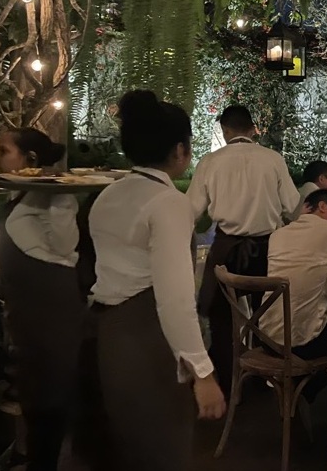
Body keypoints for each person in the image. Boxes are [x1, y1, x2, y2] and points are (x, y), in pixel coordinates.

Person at [90, 91, 225, 470]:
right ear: (180, 150)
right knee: (163, 446)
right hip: (149, 335)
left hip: (110, 332)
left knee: (126, 446)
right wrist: (204, 373)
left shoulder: (108, 195)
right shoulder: (168, 203)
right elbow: (175, 299)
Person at [187, 104, 299, 393]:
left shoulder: (210, 162)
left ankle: (228, 379)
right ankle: (266, 374)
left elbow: (191, 210)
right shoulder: (273, 159)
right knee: (270, 313)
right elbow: (292, 207)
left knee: (220, 314)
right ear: (253, 129)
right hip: (267, 251)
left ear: (225, 131)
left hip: (226, 250)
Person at [0, 128, 83, 469]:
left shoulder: (54, 197)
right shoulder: (20, 195)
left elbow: (64, 247)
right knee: (33, 403)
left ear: (30, 160)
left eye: (3, 151)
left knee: (49, 407)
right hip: (25, 318)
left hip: (51, 321)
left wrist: (56, 191)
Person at [261, 189, 327, 364]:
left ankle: (291, 388)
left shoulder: (278, 234)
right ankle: (319, 390)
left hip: (266, 337)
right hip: (303, 344)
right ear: (322, 207)